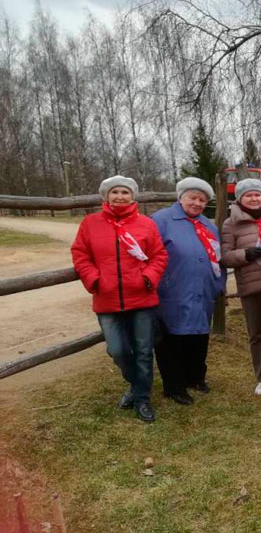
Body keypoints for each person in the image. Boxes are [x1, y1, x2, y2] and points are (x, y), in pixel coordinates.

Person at [71, 175, 167, 422]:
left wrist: (147, 278)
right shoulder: (90, 224)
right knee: (117, 350)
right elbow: (80, 254)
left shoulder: (146, 224)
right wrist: (94, 279)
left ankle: (142, 398)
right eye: (115, 192)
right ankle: (136, 385)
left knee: (144, 350)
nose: (120, 197)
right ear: (106, 196)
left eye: (125, 192)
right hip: (107, 299)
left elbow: (158, 255)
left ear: (132, 196)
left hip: (142, 298)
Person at [152, 178, 227, 405]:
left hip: (202, 291)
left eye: (202, 200)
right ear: (181, 197)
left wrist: (217, 285)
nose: (197, 203)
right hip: (173, 290)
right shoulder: (161, 221)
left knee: (198, 336)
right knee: (172, 338)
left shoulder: (208, 226)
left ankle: (195, 377)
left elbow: (218, 258)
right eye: (192, 198)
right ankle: (173, 385)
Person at [221, 178, 261, 396]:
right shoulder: (231, 223)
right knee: (256, 334)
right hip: (250, 284)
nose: (254, 198)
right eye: (249, 195)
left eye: (257, 194)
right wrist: (244, 255)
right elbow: (226, 256)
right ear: (240, 198)